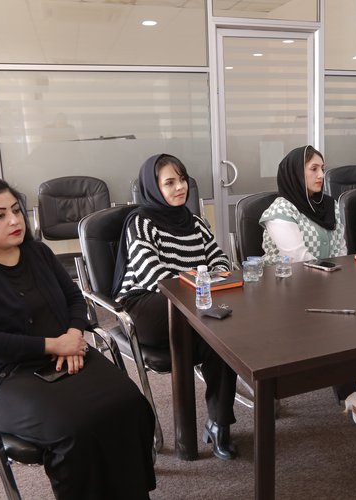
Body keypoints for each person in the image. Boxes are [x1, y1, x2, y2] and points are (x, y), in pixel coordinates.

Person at [0, 178, 156, 499]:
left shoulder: (37, 252)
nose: (14, 220)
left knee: (129, 404)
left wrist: (73, 335)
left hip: (63, 352)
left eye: (16, 210)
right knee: (72, 430)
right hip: (0, 375)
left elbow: (75, 299)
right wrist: (55, 344)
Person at [259, 145, 356, 431]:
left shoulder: (329, 205)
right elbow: (299, 259)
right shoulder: (280, 211)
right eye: (313, 169)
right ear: (296, 174)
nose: (321, 174)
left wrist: (340, 284)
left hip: (327, 286)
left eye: (322, 168)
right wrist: (336, 286)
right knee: (342, 321)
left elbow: (342, 252)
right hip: (286, 293)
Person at [113, 153, 239, 459]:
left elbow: (220, 259)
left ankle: (220, 424)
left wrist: (206, 283)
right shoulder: (141, 222)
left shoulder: (195, 222)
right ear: (153, 188)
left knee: (224, 338)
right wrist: (202, 284)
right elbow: (154, 276)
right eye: (169, 182)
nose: (180, 187)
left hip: (193, 302)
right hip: (147, 304)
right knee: (213, 320)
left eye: (182, 180)